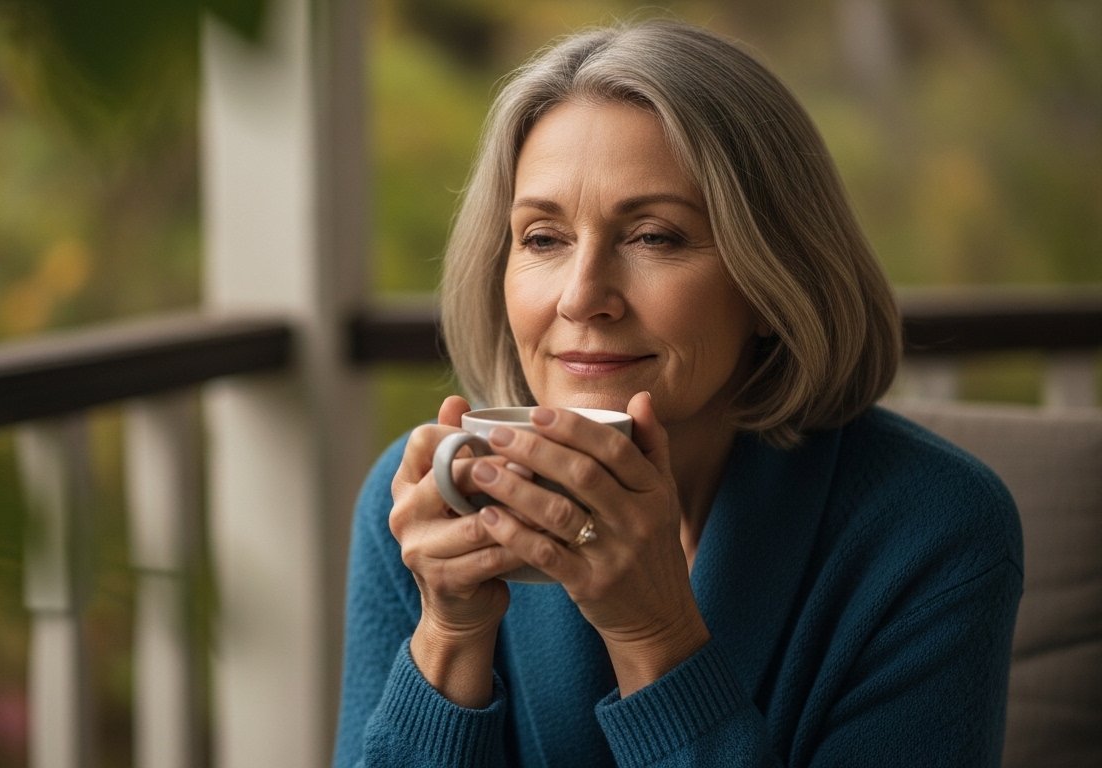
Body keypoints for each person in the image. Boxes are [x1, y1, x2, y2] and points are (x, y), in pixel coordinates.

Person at [333, 18, 1022, 768]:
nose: (582, 296)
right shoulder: (422, 508)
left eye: (655, 236)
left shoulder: (934, 531)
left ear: (772, 282)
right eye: (542, 238)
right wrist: (448, 639)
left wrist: (653, 639)